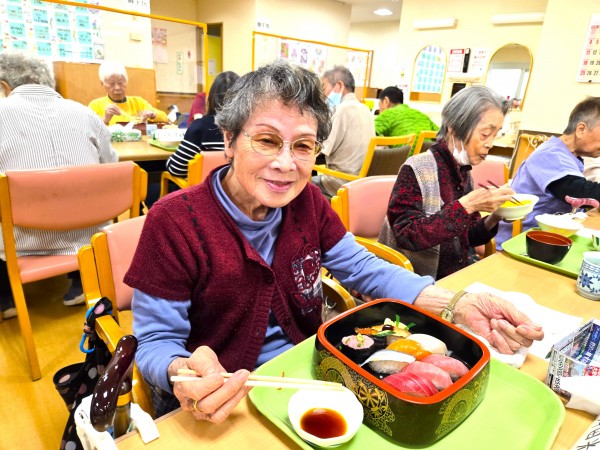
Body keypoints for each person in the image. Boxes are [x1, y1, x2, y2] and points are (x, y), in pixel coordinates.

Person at [123, 60, 543, 423]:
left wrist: (457, 303)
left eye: (303, 146)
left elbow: (362, 267)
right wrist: (183, 371)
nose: (285, 163)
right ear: (229, 140)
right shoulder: (174, 221)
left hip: (307, 376)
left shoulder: (307, 201)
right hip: (224, 398)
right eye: (266, 140)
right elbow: (156, 344)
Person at [0, 52, 118, 320]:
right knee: (79, 199)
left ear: (5, 86)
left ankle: (6, 297)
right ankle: (81, 281)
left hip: (20, 241)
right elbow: (110, 166)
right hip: (89, 236)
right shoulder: (86, 113)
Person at [379, 86, 515, 280]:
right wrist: (466, 206)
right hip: (416, 280)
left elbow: (467, 237)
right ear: (454, 127)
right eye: (485, 134)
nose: (490, 144)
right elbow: (406, 235)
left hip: (454, 275)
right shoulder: (416, 169)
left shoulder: (463, 172)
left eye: (495, 135)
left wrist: (495, 217)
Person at [496, 97, 600, 247]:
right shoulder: (550, 154)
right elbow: (576, 192)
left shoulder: (569, 156)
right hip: (520, 242)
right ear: (581, 129)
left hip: (547, 238)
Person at [311, 66, 375, 199]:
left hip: (339, 184)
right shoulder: (365, 110)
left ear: (339, 86)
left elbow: (319, 148)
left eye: (323, 87)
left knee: (300, 185)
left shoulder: (341, 110)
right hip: (361, 182)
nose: (322, 94)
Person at [166, 71, 239, 178]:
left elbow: (177, 169)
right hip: (237, 186)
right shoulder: (247, 127)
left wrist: (169, 161)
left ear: (211, 98)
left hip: (205, 186)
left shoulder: (200, 126)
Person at [88, 61, 169, 126]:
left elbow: (165, 117)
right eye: (112, 84)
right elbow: (89, 130)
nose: (117, 88)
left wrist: (153, 115)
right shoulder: (95, 105)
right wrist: (105, 120)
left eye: (120, 83)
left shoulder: (138, 102)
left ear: (126, 82)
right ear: (102, 84)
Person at [375, 86, 439, 154]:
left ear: (386, 101)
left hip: (402, 159)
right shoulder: (421, 114)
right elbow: (442, 135)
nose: (379, 110)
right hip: (425, 158)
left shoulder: (387, 114)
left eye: (379, 105)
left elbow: (369, 134)